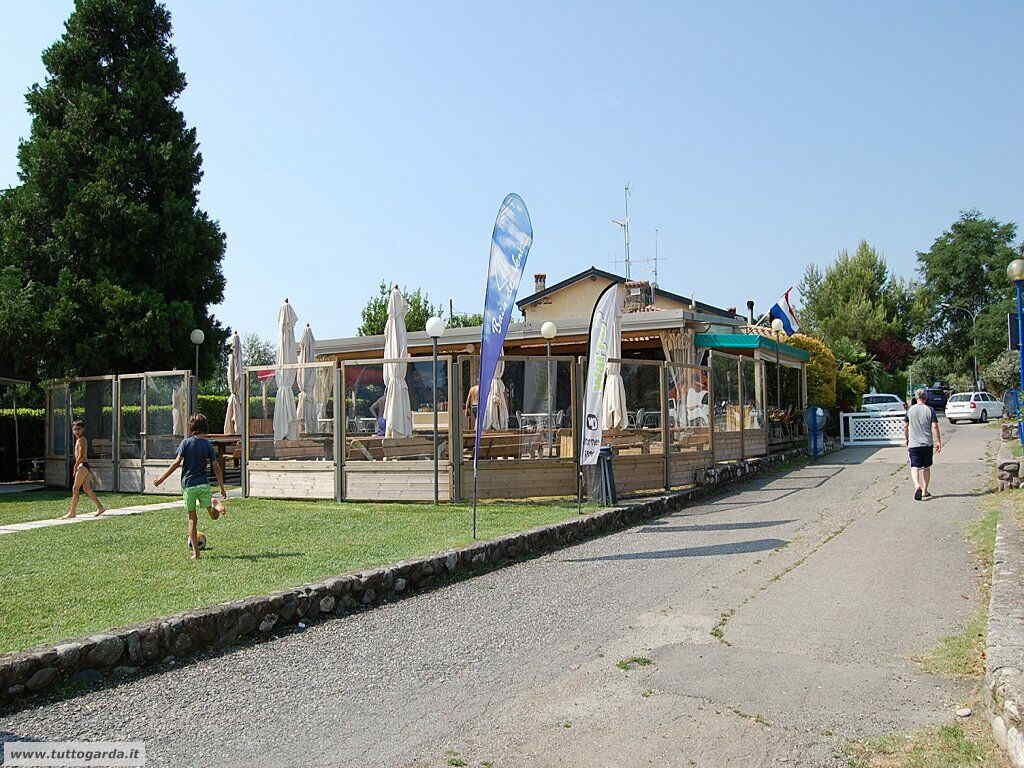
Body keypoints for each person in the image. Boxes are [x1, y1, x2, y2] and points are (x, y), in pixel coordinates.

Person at [154, 413, 227, 559]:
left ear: (191, 428)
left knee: (192, 519)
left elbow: (176, 463)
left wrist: (161, 479)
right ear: (205, 429)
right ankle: (215, 505)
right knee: (213, 516)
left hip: (189, 486)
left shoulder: (186, 443)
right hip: (203, 485)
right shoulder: (207, 445)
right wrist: (222, 487)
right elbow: (216, 466)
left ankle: (196, 553)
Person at [60, 420, 106, 518]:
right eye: (75, 429)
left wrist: (75, 466)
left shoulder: (81, 440)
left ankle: (72, 512)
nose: (77, 431)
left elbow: (81, 455)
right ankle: (100, 507)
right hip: (83, 466)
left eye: (79, 429)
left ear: (83, 429)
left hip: (82, 465)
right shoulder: (79, 440)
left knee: (75, 488)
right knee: (87, 488)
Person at [904, 388, 942, 500]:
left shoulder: (910, 410)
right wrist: (938, 440)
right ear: (926, 397)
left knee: (914, 466)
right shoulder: (930, 410)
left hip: (914, 444)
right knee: (926, 467)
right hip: (927, 444)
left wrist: (906, 439)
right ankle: (925, 491)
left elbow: (905, 426)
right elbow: (935, 426)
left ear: (916, 397)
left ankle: (917, 486)